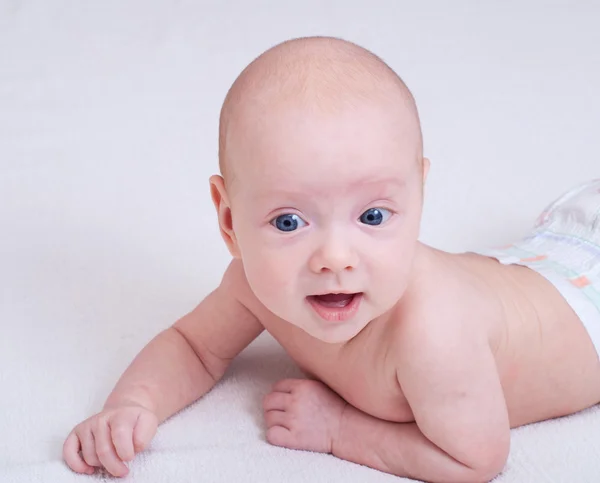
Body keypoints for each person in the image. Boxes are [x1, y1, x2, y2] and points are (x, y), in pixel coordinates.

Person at [62, 36, 600, 483]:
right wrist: (133, 405)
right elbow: (193, 346)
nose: (335, 259)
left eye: (372, 217)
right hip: (533, 271)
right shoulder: (253, 286)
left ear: (418, 196)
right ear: (229, 221)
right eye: (289, 222)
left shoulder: (432, 333)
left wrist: (340, 430)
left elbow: (478, 458)